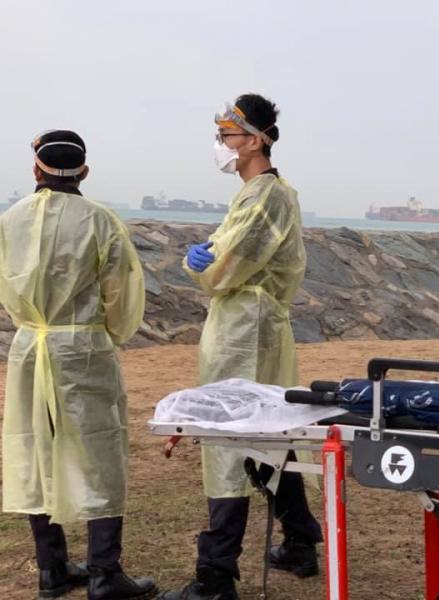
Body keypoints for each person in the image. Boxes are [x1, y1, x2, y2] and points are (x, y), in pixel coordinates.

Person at [163, 95, 321, 600]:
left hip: (244, 327)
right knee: (268, 439)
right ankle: (299, 542)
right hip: (243, 322)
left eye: (227, 136)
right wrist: (204, 263)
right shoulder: (254, 195)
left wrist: (200, 268)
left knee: (229, 439)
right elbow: (217, 256)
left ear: (255, 140)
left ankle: (216, 574)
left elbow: (225, 265)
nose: (221, 146)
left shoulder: (268, 196)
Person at [0, 130, 156, 599]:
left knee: (38, 449)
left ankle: (52, 568)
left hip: (32, 346)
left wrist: (33, 322)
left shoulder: (11, 220)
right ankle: (105, 572)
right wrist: (106, 334)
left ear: (35, 170)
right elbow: (122, 292)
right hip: (84, 347)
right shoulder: (100, 221)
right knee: (100, 454)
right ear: (84, 172)